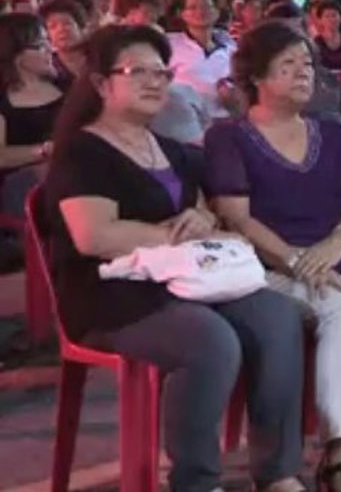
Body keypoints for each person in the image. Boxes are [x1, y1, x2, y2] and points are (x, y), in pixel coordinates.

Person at [45, 24, 306, 492]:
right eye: (137, 71)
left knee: (277, 316)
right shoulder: (82, 152)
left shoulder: (167, 148)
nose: (155, 82)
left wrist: (202, 224)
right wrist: (170, 237)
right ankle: (195, 481)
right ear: (102, 84)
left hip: (186, 281)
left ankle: (278, 471)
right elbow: (94, 236)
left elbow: (204, 214)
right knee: (210, 341)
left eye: (162, 73)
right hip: (112, 297)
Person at [207, 23, 341, 490]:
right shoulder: (230, 138)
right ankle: (339, 453)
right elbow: (236, 217)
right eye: (287, 65)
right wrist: (298, 260)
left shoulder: (331, 132)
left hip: (340, 256)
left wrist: (336, 245)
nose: (303, 73)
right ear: (258, 79)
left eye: (306, 64)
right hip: (272, 267)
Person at [0, 14, 64, 217]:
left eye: (49, 43)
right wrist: (46, 150)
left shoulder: (66, 84)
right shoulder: (4, 99)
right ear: (16, 55)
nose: (51, 50)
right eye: (40, 45)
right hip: (26, 190)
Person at [167, 0, 238, 120]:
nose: (200, 12)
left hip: (225, 120)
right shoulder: (171, 45)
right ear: (182, 13)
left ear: (217, 11)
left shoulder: (230, 47)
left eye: (207, 6)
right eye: (192, 7)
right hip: (185, 123)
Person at [38, 0, 87, 83]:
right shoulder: (48, 67)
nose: (61, 29)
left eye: (67, 23)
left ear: (81, 26)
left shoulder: (99, 58)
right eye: (53, 26)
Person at [313, 0, 341, 71]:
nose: (331, 19)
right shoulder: (316, 42)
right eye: (327, 16)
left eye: (334, 15)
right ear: (320, 20)